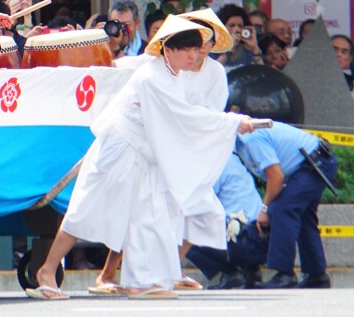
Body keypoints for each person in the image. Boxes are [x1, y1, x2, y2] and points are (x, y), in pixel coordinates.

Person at [29, 16, 255, 300]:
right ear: (168, 50)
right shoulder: (154, 76)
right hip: (119, 149)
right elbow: (182, 115)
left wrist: (228, 121)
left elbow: (184, 114)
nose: (193, 56)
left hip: (146, 152)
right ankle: (47, 271)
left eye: (196, 50)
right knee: (85, 211)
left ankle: (144, 279)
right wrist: (231, 122)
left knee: (147, 215)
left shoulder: (173, 73)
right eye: (187, 50)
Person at [234, 121, 338, 289]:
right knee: (303, 217)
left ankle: (285, 274)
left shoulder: (251, 139)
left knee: (282, 209)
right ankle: (316, 274)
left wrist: (265, 209)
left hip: (315, 164)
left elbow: (276, 177)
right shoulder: (240, 142)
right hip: (313, 163)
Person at [185, 153, 269, 289]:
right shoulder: (236, 161)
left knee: (186, 231)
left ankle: (230, 274)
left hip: (241, 242)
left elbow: (200, 204)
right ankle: (250, 271)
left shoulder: (213, 164)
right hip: (262, 241)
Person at [213, 4, 260, 69]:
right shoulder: (212, 49)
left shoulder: (247, 50)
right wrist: (228, 49)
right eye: (231, 25)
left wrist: (255, 48)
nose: (237, 30)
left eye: (240, 26)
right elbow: (213, 72)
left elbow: (262, 73)